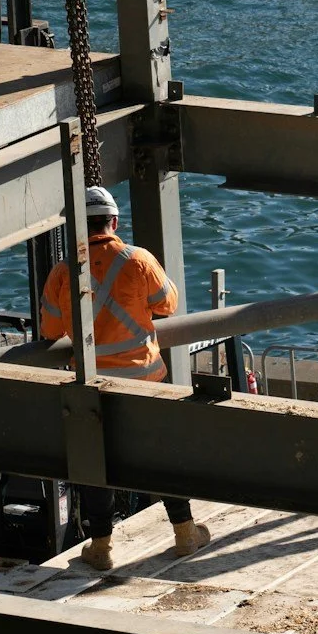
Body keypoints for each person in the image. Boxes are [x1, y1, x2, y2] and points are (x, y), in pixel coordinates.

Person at [37, 184, 209, 570]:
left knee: (93, 461)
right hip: (145, 381)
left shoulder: (62, 272)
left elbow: (49, 330)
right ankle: (184, 534)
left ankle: (100, 548)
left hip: (91, 386)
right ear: (114, 222)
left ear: (80, 227)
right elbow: (168, 304)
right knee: (160, 457)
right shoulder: (138, 260)